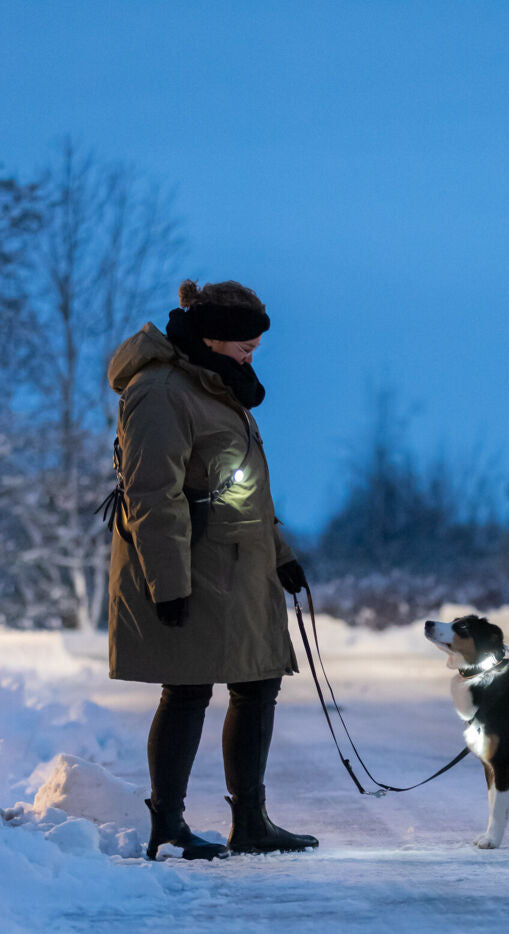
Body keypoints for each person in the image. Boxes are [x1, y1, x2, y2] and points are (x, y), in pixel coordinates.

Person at [105, 279, 318, 860]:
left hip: (240, 566)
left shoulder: (217, 388)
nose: (252, 353)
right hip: (190, 568)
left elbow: (240, 488)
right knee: (188, 688)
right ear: (211, 335)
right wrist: (168, 586)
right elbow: (154, 495)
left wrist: (281, 555)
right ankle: (167, 825)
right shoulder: (160, 391)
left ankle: (251, 820)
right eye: (244, 343)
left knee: (257, 684)